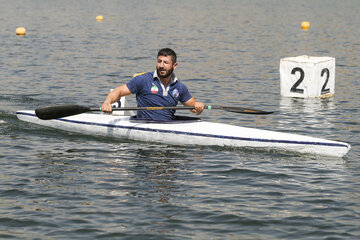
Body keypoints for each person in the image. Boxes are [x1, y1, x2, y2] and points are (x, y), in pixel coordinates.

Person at [101, 48, 204, 121]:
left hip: (168, 126)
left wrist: (198, 107)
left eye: (166, 62)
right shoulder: (143, 80)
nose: (161, 66)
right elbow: (118, 91)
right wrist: (107, 102)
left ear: (175, 65)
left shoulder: (180, 87)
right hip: (144, 126)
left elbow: (193, 106)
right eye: (159, 61)